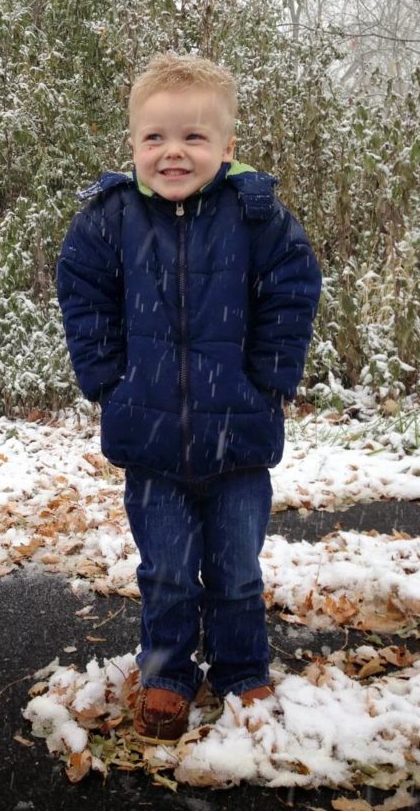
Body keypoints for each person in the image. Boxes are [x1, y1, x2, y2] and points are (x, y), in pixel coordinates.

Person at [55, 53, 322, 744]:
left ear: (227, 147)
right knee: (167, 570)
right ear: (133, 145)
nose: (173, 151)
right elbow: (82, 295)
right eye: (155, 138)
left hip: (238, 433)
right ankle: (169, 673)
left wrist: (270, 376)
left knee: (235, 569)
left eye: (194, 138)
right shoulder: (109, 219)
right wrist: (107, 380)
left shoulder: (255, 214)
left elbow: (294, 290)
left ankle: (241, 667)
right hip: (149, 439)